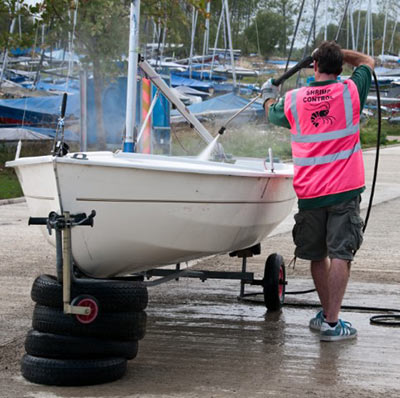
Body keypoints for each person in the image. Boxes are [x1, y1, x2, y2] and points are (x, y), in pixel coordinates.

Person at [262, 41, 375, 342]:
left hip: (310, 193)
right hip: (344, 190)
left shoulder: (294, 99)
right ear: (340, 67)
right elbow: (367, 60)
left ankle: (328, 317)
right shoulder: (351, 92)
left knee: (317, 255)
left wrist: (265, 96)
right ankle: (331, 320)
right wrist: (341, 55)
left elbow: (270, 112)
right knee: (341, 253)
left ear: (314, 67)